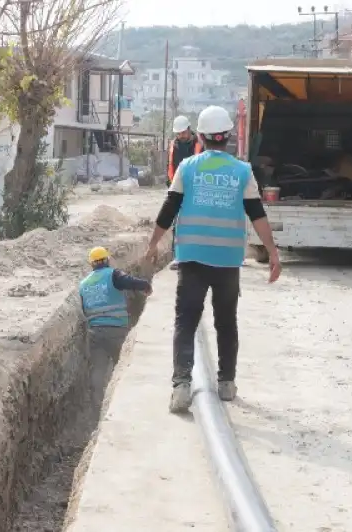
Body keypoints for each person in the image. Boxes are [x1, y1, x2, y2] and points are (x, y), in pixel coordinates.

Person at [145, 105, 282, 414]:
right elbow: (257, 214)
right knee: (225, 322)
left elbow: (169, 208)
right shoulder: (242, 171)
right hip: (227, 261)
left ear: (202, 137)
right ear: (229, 137)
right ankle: (227, 383)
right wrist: (273, 252)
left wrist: (153, 244)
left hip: (193, 258)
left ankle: (181, 386)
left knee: (186, 320)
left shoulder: (188, 168)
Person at [79, 246, 153, 362]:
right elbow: (129, 281)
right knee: (122, 363)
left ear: (91, 264)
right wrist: (146, 285)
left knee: (98, 368)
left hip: (95, 332)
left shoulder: (83, 284)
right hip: (116, 329)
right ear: (107, 260)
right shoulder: (113, 274)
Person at [167, 115, 204, 270]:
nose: (180, 136)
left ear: (189, 129)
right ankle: (178, 256)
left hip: (196, 188)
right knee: (178, 222)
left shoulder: (199, 144)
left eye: (183, 132)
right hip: (179, 187)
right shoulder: (174, 145)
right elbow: (171, 166)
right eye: (178, 133)